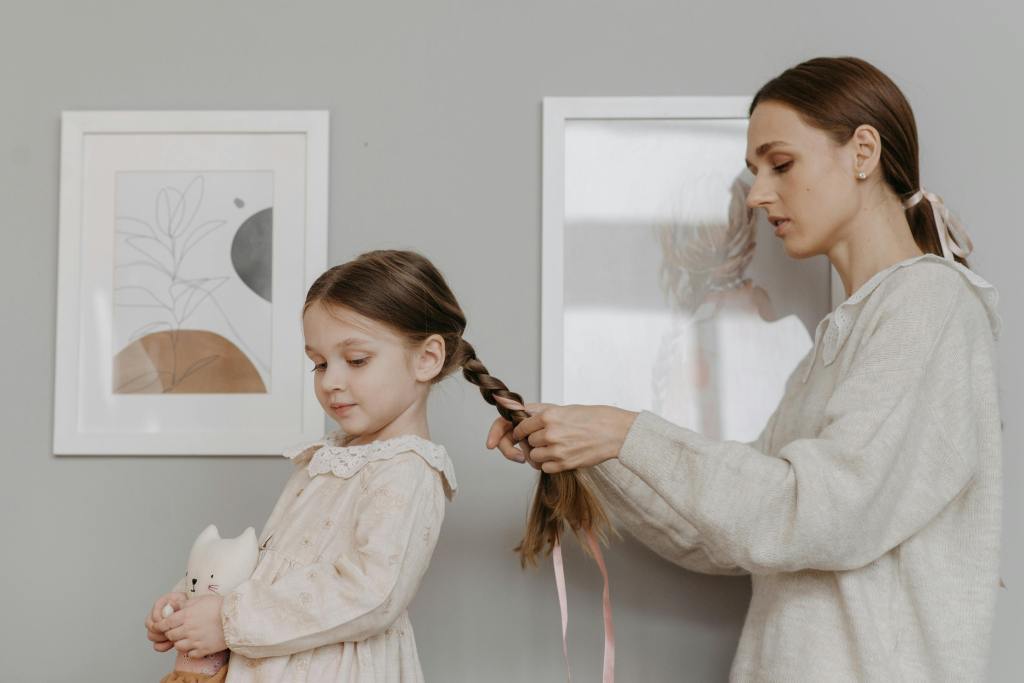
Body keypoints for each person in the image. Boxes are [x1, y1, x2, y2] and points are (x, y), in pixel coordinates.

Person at [488, 57, 1002, 681]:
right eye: (755, 172)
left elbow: (818, 515)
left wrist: (625, 433)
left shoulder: (930, 303)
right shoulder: (832, 345)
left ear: (863, 152)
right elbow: (723, 537)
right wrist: (590, 450)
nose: (757, 194)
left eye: (780, 164)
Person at [145, 250, 527, 682]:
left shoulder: (407, 469)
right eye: (320, 364)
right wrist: (192, 601)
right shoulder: (332, 456)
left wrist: (228, 619)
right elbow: (270, 564)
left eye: (357, 360)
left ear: (427, 358)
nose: (330, 381)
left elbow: (370, 593)